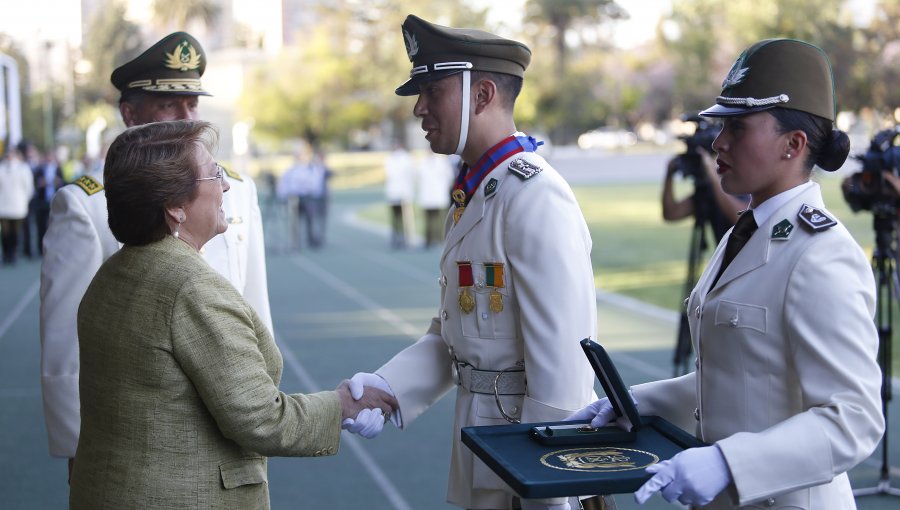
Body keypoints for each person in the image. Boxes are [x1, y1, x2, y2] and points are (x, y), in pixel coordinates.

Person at [571, 39, 884, 509]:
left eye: (737, 128)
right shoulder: (749, 230)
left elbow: (854, 418)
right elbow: (740, 375)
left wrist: (728, 462)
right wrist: (638, 402)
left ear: (793, 145)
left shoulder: (821, 255)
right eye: (721, 126)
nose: (718, 141)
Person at [344, 15, 603, 510]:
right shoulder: (478, 190)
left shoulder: (534, 196)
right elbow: (461, 334)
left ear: (481, 96)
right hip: (486, 448)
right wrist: (389, 385)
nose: (419, 108)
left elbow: (565, 367)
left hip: (524, 461)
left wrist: (547, 488)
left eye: (431, 91)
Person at [69, 120, 396, 509]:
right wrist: (343, 404)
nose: (225, 186)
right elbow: (260, 418)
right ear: (175, 207)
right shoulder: (190, 288)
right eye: (214, 174)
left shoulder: (116, 270)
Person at [39, 31, 273, 481]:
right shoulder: (87, 205)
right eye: (169, 104)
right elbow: (66, 341)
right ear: (130, 114)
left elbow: (254, 307)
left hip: (231, 419)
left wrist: (261, 404)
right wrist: (78, 448)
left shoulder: (237, 192)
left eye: (193, 103)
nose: (186, 118)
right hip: (140, 435)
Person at [0, 143, 35, 265]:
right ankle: (6, 254)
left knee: (15, 233)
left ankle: (13, 253)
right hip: (3, 207)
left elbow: (29, 188)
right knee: (4, 233)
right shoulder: (2, 168)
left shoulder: (23, 168)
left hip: (18, 206)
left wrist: (24, 201)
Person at [417, 151, 455, 248]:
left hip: (439, 195)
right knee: (428, 219)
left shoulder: (442, 162)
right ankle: (428, 240)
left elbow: (449, 177)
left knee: (441, 219)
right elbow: (419, 178)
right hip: (427, 195)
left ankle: (440, 239)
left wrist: (444, 188)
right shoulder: (423, 163)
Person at [384, 141, 416, 248]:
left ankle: (404, 237)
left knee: (403, 217)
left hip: (402, 192)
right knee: (397, 217)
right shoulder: (391, 159)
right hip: (396, 192)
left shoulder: (404, 158)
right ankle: (398, 236)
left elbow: (409, 175)